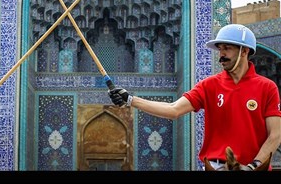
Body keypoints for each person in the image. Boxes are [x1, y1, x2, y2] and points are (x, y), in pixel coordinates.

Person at [108, 24, 281, 171]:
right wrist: (130, 99)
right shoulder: (209, 85)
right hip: (217, 165)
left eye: (227, 48)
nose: (221, 55)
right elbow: (173, 110)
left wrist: (253, 165)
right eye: (219, 49)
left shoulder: (266, 87)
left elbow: (276, 134)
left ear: (244, 51)